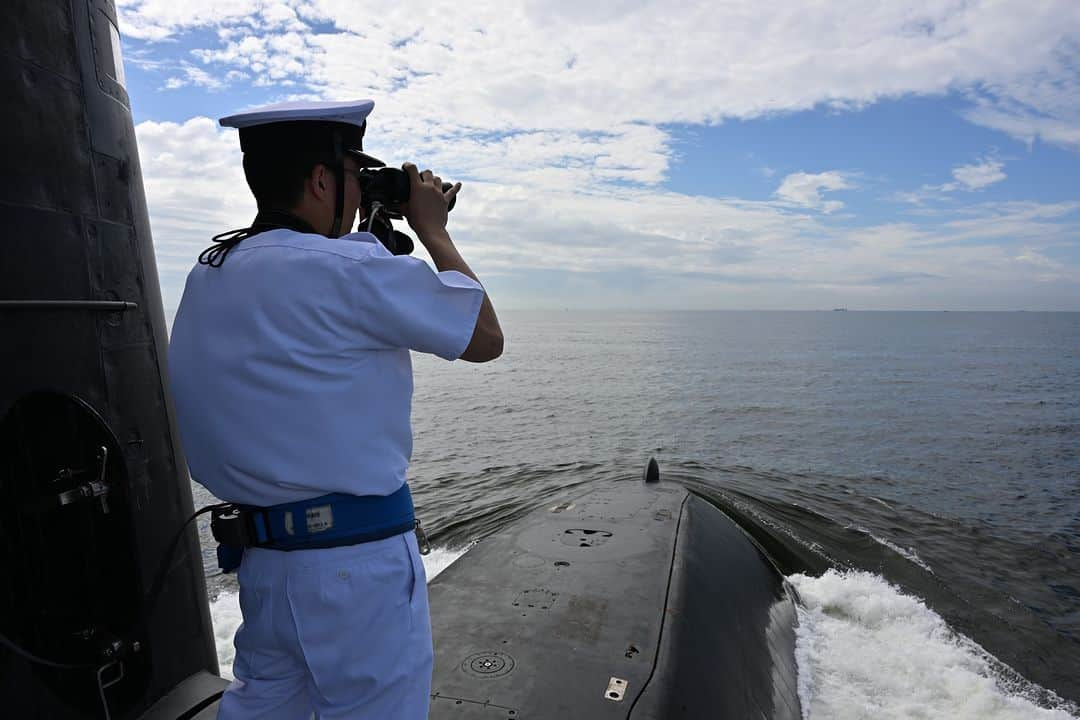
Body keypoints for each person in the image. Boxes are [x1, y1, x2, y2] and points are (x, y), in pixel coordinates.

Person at [167, 99, 503, 719]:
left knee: (266, 708)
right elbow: (485, 337)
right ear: (322, 180)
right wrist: (433, 229)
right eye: (353, 175)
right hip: (357, 569)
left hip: (266, 569)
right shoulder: (349, 269)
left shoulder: (211, 273)